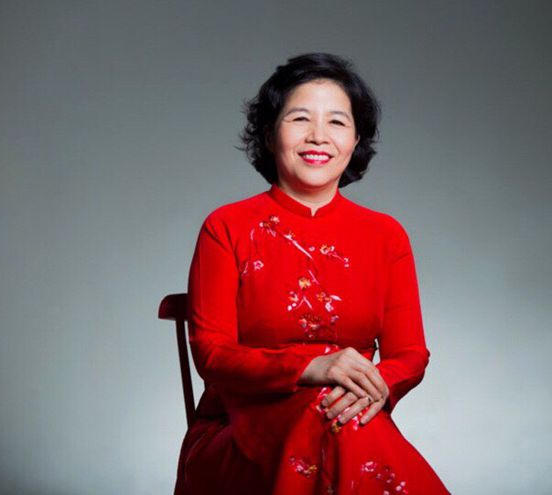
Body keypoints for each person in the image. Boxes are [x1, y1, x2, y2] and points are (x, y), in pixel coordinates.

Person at [173, 53, 450, 494]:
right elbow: (212, 353)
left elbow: (410, 354)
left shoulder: (386, 236)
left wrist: (373, 386)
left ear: (356, 139)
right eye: (300, 118)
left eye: (337, 122)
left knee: (339, 416)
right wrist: (312, 367)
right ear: (269, 133)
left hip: (348, 418)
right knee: (332, 416)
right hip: (240, 428)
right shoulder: (226, 227)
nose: (318, 135)